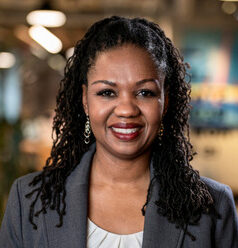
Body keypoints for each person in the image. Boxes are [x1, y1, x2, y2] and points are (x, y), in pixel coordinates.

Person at [0, 16, 238, 248]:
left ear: (165, 102)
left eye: (145, 92)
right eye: (107, 92)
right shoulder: (29, 200)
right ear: (85, 100)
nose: (126, 110)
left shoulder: (213, 206)